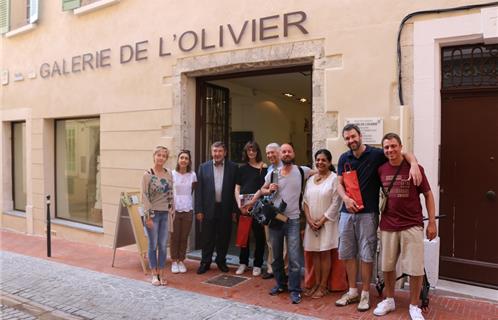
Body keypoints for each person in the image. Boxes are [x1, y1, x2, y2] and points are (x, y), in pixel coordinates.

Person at [335, 124, 422, 311]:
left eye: (353, 136)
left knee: (367, 253)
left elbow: (402, 153)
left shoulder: (376, 154)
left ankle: (365, 293)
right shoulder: (344, 158)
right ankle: (352, 291)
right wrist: (345, 198)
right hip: (346, 212)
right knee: (348, 252)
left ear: (360, 136)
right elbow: (339, 183)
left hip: (368, 213)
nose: (351, 140)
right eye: (347, 138)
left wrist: (414, 164)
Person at [373, 133, 437, 320]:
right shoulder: (381, 170)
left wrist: (432, 222)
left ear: (401, 147)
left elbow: (428, 195)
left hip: (412, 224)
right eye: (386, 147)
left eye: (393, 146)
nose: (390, 150)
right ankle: (390, 300)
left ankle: (414, 306)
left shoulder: (415, 168)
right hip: (388, 225)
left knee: (415, 268)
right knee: (387, 266)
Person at [252, 143, 311, 304]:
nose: (286, 154)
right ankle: (280, 284)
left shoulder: (301, 171)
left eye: (289, 151)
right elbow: (262, 190)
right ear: (280, 154)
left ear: (293, 153)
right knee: (276, 256)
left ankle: (295, 289)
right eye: (283, 151)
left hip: (293, 220)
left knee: (294, 258)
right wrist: (268, 190)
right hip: (276, 220)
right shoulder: (273, 173)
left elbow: (320, 173)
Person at [302, 149, 345, 299]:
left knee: (325, 253)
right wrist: (309, 219)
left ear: (329, 162)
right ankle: (316, 283)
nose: (320, 162)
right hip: (311, 224)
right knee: (314, 253)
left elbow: (336, 203)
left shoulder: (334, 179)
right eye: (318, 160)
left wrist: (321, 220)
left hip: (327, 224)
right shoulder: (310, 180)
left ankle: (323, 285)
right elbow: (305, 201)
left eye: (323, 160)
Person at [195, 141, 238, 274]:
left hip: (226, 208)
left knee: (224, 237)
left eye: (220, 151)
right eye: (215, 151)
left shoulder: (233, 167)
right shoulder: (203, 167)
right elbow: (199, 191)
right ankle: (205, 262)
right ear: (211, 152)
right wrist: (199, 210)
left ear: (225, 153)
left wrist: (235, 210)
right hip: (208, 208)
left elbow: (236, 190)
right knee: (207, 237)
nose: (217, 154)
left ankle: (221, 261)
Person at [141, 146, 175, 286]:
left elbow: (171, 193)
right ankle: (154, 274)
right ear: (154, 156)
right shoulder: (147, 174)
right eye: (159, 155)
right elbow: (144, 196)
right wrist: (148, 216)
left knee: (162, 245)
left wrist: (172, 208)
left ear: (166, 159)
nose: (161, 158)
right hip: (153, 214)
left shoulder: (168, 174)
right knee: (152, 245)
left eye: (164, 156)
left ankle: (161, 273)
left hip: (165, 214)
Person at [235, 141, 267, 277]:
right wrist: (239, 204)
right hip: (243, 206)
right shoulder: (241, 168)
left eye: (253, 150)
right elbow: (237, 187)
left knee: (260, 236)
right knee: (244, 235)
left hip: (258, 206)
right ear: (246, 152)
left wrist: (253, 202)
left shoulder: (263, 167)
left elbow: (264, 187)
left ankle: (258, 264)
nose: (251, 153)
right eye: (249, 150)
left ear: (257, 151)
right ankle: (243, 262)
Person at [170, 150, 197, 274]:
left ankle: (181, 260)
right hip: (174, 210)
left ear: (189, 161)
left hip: (187, 209)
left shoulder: (192, 175)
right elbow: (169, 192)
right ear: (178, 159)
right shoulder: (171, 174)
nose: (184, 160)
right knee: (174, 236)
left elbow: (192, 190)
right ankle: (174, 261)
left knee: (184, 236)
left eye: (186, 158)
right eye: (181, 157)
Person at [261, 142, 284, 279]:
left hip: (282, 211)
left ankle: (284, 270)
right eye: (268, 153)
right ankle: (271, 268)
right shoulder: (270, 169)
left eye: (272, 152)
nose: (270, 155)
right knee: (270, 240)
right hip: (269, 209)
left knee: (284, 241)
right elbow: (263, 189)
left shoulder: (287, 168)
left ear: (279, 152)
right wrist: (267, 190)